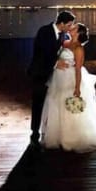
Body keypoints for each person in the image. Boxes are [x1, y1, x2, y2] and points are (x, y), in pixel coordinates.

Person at [40, 23, 96, 152]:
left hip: (70, 78)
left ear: (79, 33)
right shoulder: (65, 42)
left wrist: (77, 87)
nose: (71, 28)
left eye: (74, 28)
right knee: (55, 104)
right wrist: (56, 63)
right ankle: (58, 136)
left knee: (69, 108)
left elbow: (78, 70)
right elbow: (52, 55)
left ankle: (71, 137)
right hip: (58, 78)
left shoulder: (79, 48)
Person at [27, 10, 76, 147]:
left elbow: (58, 51)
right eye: (69, 24)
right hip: (40, 72)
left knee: (51, 102)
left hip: (53, 75)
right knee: (38, 102)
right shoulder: (44, 31)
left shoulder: (63, 35)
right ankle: (35, 131)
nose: (70, 27)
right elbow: (41, 52)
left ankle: (48, 130)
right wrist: (55, 63)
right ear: (62, 23)